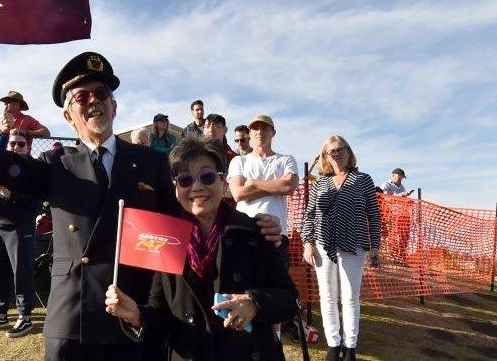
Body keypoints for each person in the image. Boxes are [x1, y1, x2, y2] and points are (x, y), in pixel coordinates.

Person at [0, 52, 282, 361]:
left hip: (134, 316)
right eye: (82, 96)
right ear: (68, 114)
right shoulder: (56, 164)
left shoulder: (153, 163)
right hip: (73, 317)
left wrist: (248, 225)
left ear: (115, 106)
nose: (95, 102)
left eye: (102, 94)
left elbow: (193, 215)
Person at [104, 137, 299, 360]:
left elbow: (289, 300)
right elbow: (161, 314)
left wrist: (254, 302)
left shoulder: (256, 231)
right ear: (176, 189)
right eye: (185, 180)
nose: (196, 187)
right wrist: (137, 316)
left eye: (206, 176)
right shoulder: (167, 239)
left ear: (223, 183)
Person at [302, 136, 381, 361]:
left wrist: (375, 246)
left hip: (354, 245)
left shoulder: (363, 179)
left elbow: (374, 215)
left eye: (339, 150)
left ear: (348, 152)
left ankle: (351, 346)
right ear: (325, 156)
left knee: (350, 297)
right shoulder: (320, 183)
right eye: (330, 151)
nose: (335, 154)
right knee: (327, 296)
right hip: (322, 245)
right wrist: (308, 243)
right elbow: (309, 215)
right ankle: (334, 345)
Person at [0, 129, 42, 337]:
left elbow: (37, 202)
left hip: (19, 226)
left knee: (21, 272)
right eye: (12, 143)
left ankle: (25, 316)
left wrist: (13, 196)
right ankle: (0, 312)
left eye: (20, 144)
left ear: (28, 147)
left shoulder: (34, 169)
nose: (15, 147)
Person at [227, 115, 298, 263]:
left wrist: (253, 183)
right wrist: (276, 186)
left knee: (277, 285)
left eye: (264, 128)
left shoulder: (286, 159)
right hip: (245, 233)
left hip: (277, 235)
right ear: (250, 133)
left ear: (273, 132)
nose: (260, 131)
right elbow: (238, 194)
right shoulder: (239, 161)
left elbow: (288, 186)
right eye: (255, 128)